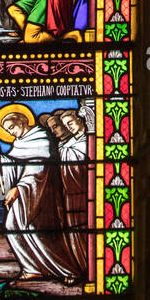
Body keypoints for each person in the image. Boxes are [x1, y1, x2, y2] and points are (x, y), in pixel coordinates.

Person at [0, 109, 79, 284]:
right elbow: (13, 165)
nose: (11, 132)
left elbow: (39, 169)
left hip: (42, 194)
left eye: (12, 127)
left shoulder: (41, 137)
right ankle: (32, 268)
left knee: (43, 232)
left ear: (22, 121)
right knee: (12, 226)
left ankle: (68, 269)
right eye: (8, 130)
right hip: (26, 193)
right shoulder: (19, 143)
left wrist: (19, 188)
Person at [58, 109, 90, 282]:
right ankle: (78, 266)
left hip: (85, 192)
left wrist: (66, 153)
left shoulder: (90, 140)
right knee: (73, 231)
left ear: (81, 120)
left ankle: (88, 268)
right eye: (65, 125)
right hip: (69, 193)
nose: (68, 127)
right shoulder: (69, 142)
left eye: (70, 123)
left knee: (86, 227)